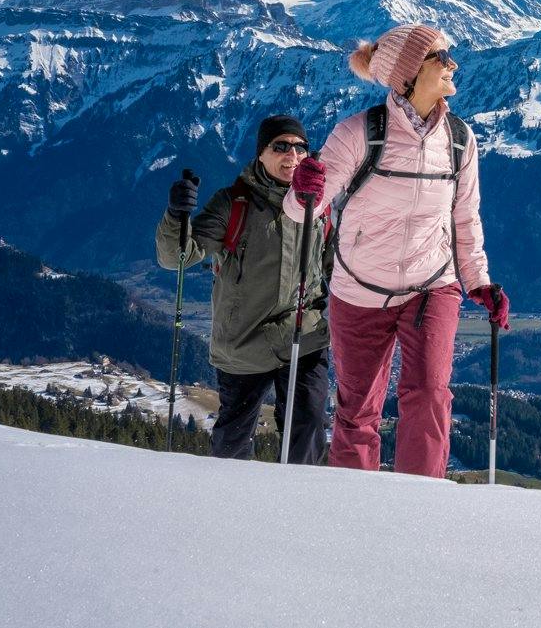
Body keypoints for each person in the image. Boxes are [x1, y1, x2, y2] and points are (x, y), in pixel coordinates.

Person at [285, 23, 508, 479]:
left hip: (432, 284)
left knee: (428, 396)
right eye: (442, 57)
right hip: (359, 289)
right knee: (357, 412)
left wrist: (479, 282)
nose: (453, 64)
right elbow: (302, 210)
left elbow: (465, 219)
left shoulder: (461, 141)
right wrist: (302, 191)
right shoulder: (358, 135)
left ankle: (420, 514)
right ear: (408, 74)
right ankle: (356, 513)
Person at [156, 115, 331, 463]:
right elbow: (176, 257)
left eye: (300, 148)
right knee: (231, 444)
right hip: (244, 342)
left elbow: (336, 266)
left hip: (304, 336)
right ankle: (231, 507)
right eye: (280, 146)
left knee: (308, 428)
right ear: (261, 155)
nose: (292, 155)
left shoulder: (320, 204)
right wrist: (176, 215)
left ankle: (302, 503)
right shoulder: (234, 203)